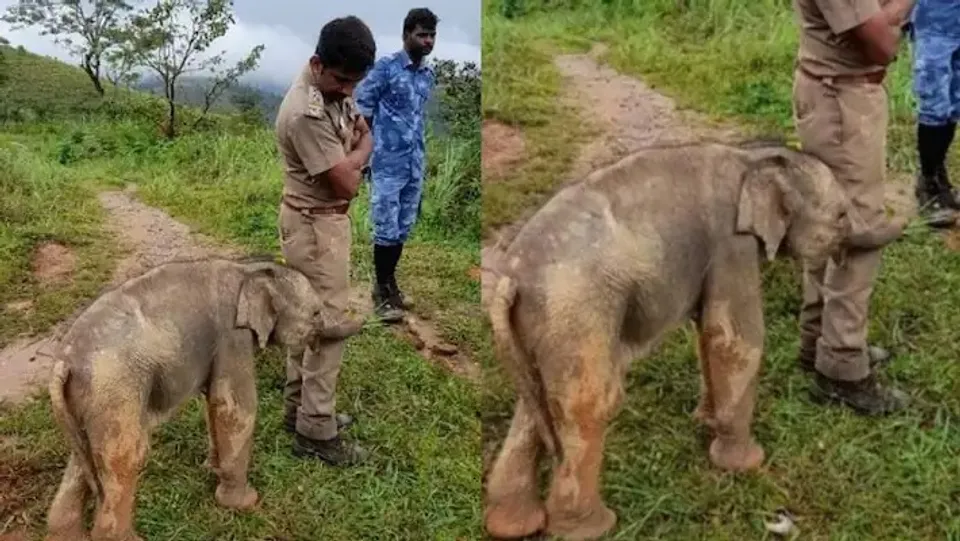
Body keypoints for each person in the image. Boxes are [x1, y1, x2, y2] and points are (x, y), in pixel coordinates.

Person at [791, 0, 914, 415]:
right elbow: (881, 44)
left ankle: (818, 342)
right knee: (858, 232)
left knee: (825, 223)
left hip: (835, 93)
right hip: (841, 102)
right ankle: (841, 366)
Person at [273, 15, 376, 465]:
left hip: (318, 224)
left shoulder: (328, 90)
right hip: (316, 227)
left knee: (303, 317)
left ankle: (298, 409)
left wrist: (355, 152)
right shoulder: (304, 112)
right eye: (343, 81)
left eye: (355, 83)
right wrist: (360, 153)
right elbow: (347, 183)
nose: (349, 92)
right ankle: (315, 430)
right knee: (328, 326)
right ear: (318, 63)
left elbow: (360, 131)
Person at [354, 7, 439, 323]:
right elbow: (362, 111)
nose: (427, 41)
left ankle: (392, 286)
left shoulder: (427, 75)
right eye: (422, 34)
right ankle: (380, 291)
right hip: (387, 162)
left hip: (413, 163)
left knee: (403, 226)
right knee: (386, 226)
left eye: (431, 35)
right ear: (406, 35)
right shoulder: (386, 69)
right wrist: (363, 157)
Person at [908, 0, 960, 226]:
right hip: (934, 21)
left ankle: (940, 177)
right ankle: (928, 181)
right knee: (934, 102)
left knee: (955, 102)